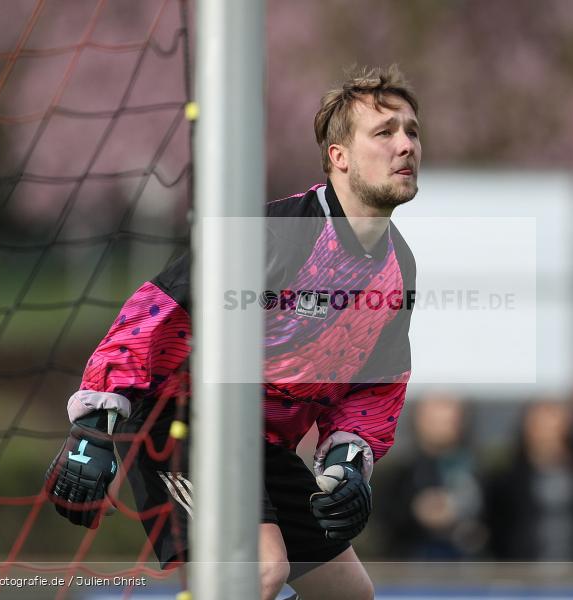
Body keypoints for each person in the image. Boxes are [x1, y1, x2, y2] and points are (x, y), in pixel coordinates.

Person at [43, 64, 421, 600]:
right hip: (180, 425)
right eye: (384, 132)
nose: (405, 145)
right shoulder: (274, 236)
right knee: (259, 573)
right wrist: (96, 425)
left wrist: (348, 461)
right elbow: (154, 312)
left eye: (411, 130)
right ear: (339, 156)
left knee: (349, 596)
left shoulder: (398, 267)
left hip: (261, 446)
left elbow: (378, 383)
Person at [483, 400, 573, 561]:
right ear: (528, 428)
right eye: (541, 424)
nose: (548, 432)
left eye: (554, 423)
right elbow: (497, 531)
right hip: (524, 573)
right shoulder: (507, 481)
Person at [376, 390, 486, 560]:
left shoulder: (479, 472)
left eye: (447, 413)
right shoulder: (398, 476)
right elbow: (384, 528)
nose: (441, 422)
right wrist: (415, 511)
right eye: (433, 417)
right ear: (418, 419)